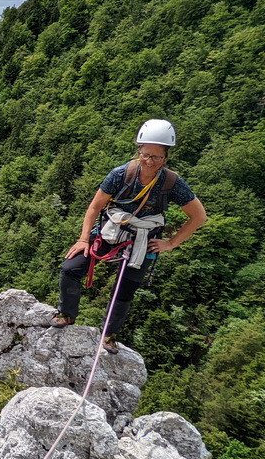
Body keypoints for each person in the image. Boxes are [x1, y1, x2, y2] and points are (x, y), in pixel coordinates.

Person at [51, 119, 207, 353]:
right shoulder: (121, 174)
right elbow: (94, 207)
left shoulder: (172, 183)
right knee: (71, 268)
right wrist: (84, 239)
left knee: (125, 288)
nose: (148, 161)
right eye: (144, 154)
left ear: (165, 158)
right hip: (110, 230)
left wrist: (171, 243)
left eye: (155, 157)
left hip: (143, 239)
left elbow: (199, 216)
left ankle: (109, 334)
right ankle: (67, 314)